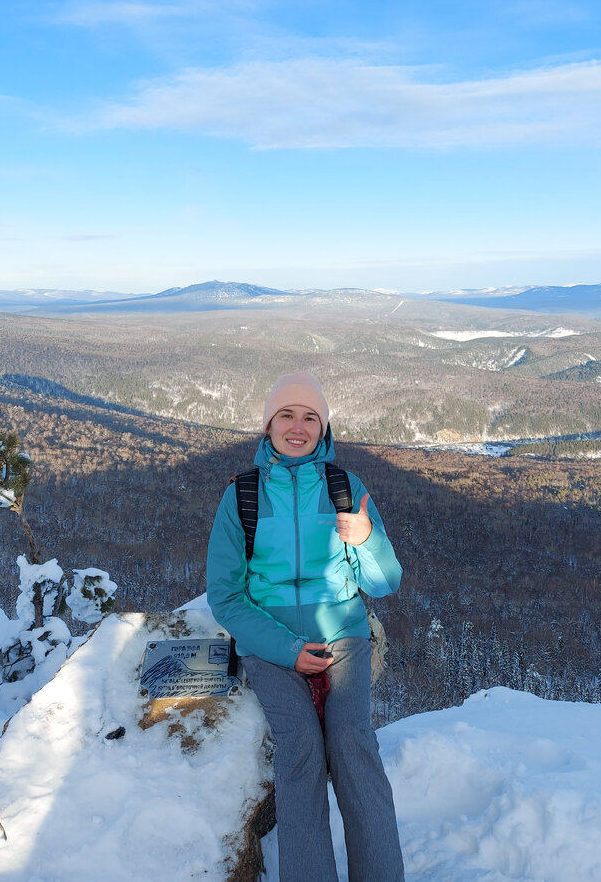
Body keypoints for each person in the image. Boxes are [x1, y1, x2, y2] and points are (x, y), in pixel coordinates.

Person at [207, 371, 405, 882]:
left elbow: (384, 583)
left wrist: (365, 539)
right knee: (299, 753)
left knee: (353, 746)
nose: (298, 427)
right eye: (286, 416)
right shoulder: (242, 496)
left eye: (310, 417)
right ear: (268, 425)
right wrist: (287, 648)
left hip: (343, 633)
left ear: (324, 427)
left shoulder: (345, 488)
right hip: (269, 640)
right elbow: (226, 597)